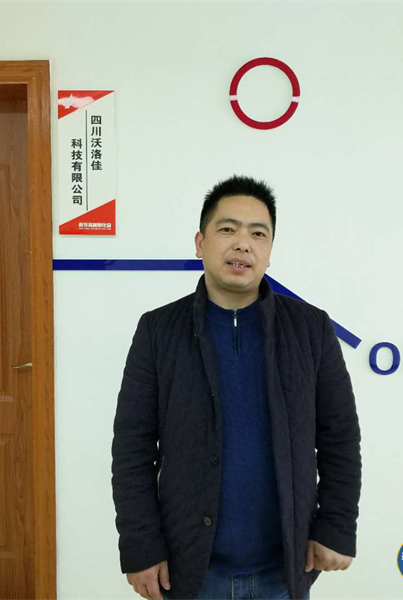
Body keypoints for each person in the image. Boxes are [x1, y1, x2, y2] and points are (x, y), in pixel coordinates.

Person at [111, 175, 362, 600]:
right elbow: (132, 447)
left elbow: (339, 436)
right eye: (228, 229)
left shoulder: (311, 329)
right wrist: (140, 546)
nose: (243, 244)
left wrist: (336, 526)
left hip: (284, 570)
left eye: (258, 234)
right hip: (190, 570)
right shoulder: (159, 330)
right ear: (200, 243)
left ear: (269, 251)